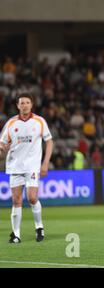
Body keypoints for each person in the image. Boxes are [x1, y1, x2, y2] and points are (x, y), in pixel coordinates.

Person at [0, 93, 53, 243]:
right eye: (22, 103)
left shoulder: (39, 121)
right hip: (15, 166)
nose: (25, 105)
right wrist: (2, 150)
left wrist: (45, 162)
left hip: (32, 166)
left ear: (32, 105)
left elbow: (49, 142)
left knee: (32, 197)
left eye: (27, 102)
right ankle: (16, 235)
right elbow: (2, 146)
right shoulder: (11, 123)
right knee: (16, 201)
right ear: (18, 106)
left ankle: (39, 227)